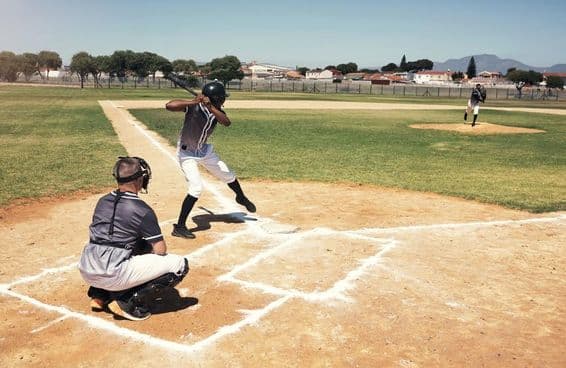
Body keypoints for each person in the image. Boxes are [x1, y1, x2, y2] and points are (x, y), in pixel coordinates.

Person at [78, 157, 189, 321]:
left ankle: (99, 295)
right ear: (139, 179)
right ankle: (129, 301)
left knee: (123, 245)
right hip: (113, 273)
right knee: (179, 265)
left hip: (87, 268)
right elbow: (160, 250)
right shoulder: (142, 209)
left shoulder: (102, 201)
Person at [166, 81, 256, 239]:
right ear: (217, 98)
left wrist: (210, 107)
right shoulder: (193, 107)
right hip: (187, 154)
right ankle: (179, 227)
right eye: (222, 97)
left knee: (228, 174)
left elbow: (227, 122)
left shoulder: (216, 110)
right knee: (196, 188)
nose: (224, 100)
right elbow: (170, 105)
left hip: (204, 151)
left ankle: (240, 197)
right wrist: (194, 101)